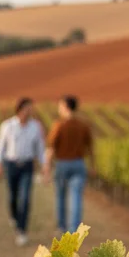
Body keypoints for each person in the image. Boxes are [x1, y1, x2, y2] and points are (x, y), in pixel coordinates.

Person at [0, 97, 45, 246]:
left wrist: (44, 166)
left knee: (25, 198)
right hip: (11, 165)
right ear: (20, 109)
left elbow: (40, 149)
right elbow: (0, 147)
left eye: (31, 108)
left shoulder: (36, 126)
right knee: (12, 197)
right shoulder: (7, 126)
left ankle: (22, 230)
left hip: (27, 166)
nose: (29, 111)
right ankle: (15, 217)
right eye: (27, 108)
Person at [43, 95, 93, 234]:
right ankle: (74, 229)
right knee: (76, 197)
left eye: (60, 106)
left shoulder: (59, 125)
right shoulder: (83, 125)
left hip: (62, 164)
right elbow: (90, 148)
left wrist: (46, 167)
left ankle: (61, 226)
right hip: (79, 164)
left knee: (60, 196)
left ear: (65, 107)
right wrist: (93, 166)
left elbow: (51, 148)